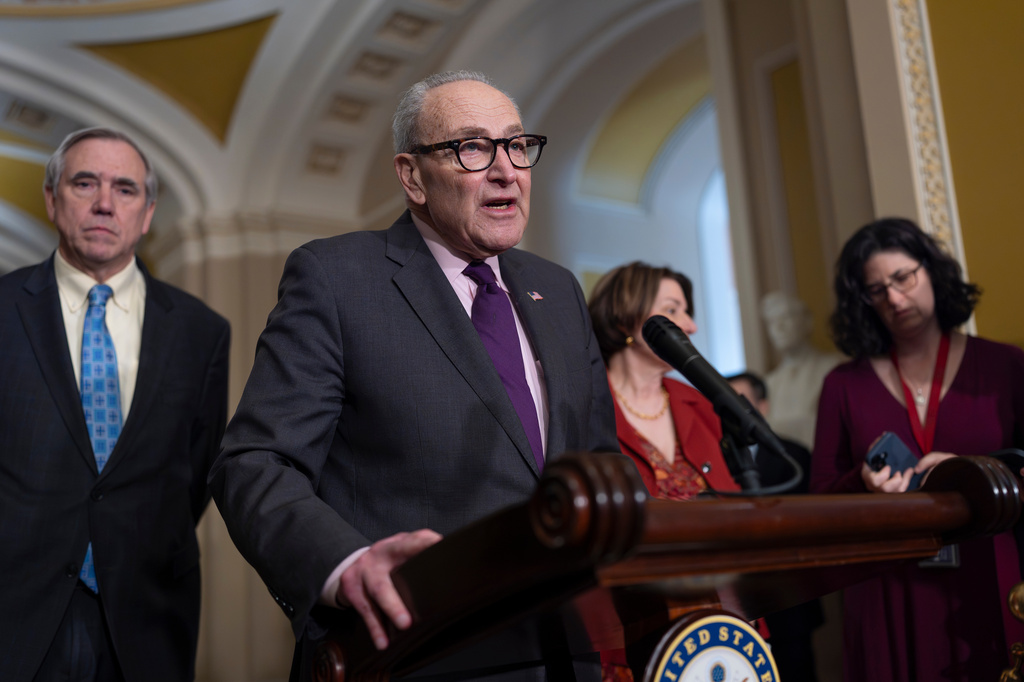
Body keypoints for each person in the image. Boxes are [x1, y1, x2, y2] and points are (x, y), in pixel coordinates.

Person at [209, 71, 619, 680]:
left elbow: (600, 463)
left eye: (516, 144)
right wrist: (346, 565)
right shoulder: (338, 278)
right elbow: (254, 463)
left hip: (567, 651)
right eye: (473, 148)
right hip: (416, 651)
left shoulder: (556, 290)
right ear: (411, 176)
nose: (507, 169)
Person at [0, 128, 230, 681]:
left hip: (147, 615)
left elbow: (195, 475)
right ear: (52, 199)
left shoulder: (202, 331)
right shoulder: (3, 310)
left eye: (125, 189)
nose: (105, 203)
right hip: (15, 612)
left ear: (147, 213)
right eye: (85, 183)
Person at [810, 216, 1024, 681]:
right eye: (876, 289)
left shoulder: (1006, 365)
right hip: (888, 584)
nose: (893, 297)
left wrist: (972, 472)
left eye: (903, 277)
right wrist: (861, 483)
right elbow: (820, 495)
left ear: (931, 271)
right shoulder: (842, 384)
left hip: (989, 574)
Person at [588, 261, 739, 500]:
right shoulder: (585, 404)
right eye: (672, 311)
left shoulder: (699, 402)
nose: (691, 326)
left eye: (687, 312)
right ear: (624, 320)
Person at [727, 371, 823, 682]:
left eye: (742, 402)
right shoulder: (712, 460)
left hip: (790, 600)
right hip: (736, 603)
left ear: (763, 406)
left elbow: (812, 527)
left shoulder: (794, 456)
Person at [760, 291, 842, 448]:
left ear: (806, 321)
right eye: (772, 321)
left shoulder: (832, 368)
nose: (779, 327)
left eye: (786, 317)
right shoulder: (770, 382)